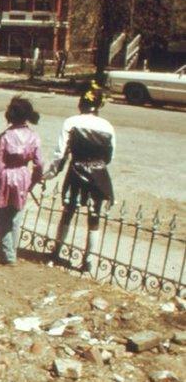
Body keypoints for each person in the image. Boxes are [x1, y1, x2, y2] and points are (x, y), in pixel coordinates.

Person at [43, 83, 115, 271]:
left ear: (80, 103)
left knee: (68, 212)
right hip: (99, 173)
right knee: (94, 217)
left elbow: (61, 154)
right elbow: (109, 157)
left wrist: (50, 174)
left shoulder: (71, 122)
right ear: (99, 106)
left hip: (76, 171)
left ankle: (56, 252)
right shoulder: (108, 127)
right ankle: (88, 261)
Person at [0, 96, 43, 266]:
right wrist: (34, 180)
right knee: (16, 218)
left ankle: (8, 255)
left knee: (1, 218)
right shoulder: (33, 136)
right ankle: (11, 253)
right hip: (23, 176)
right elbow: (39, 163)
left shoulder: (5, 136)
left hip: (5, 177)